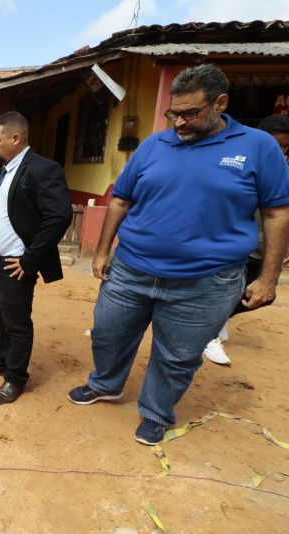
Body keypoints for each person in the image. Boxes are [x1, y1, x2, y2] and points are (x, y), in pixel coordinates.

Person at [67, 64, 289, 445]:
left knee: (177, 356)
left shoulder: (257, 146)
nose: (180, 122)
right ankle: (106, 383)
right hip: (131, 269)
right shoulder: (154, 144)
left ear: (220, 104)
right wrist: (103, 251)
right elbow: (120, 199)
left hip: (206, 282)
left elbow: (276, 212)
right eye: (174, 113)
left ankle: (155, 411)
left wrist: (268, 278)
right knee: (107, 334)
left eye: (191, 114)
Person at [0, 112, 72, 404]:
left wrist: (30, 259)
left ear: (15, 138)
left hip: (15, 266)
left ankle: (15, 377)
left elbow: (59, 217)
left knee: (17, 324)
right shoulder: (3, 169)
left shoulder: (42, 169)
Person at [203, 113, 289, 365]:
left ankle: (216, 321)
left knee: (263, 294)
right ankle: (208, 332)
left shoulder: (281, 169)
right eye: (277, 144)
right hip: (239, 245)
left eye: (285, 146)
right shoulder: (239, 163)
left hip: (266, 248)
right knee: (225, 290)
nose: (281, 150)